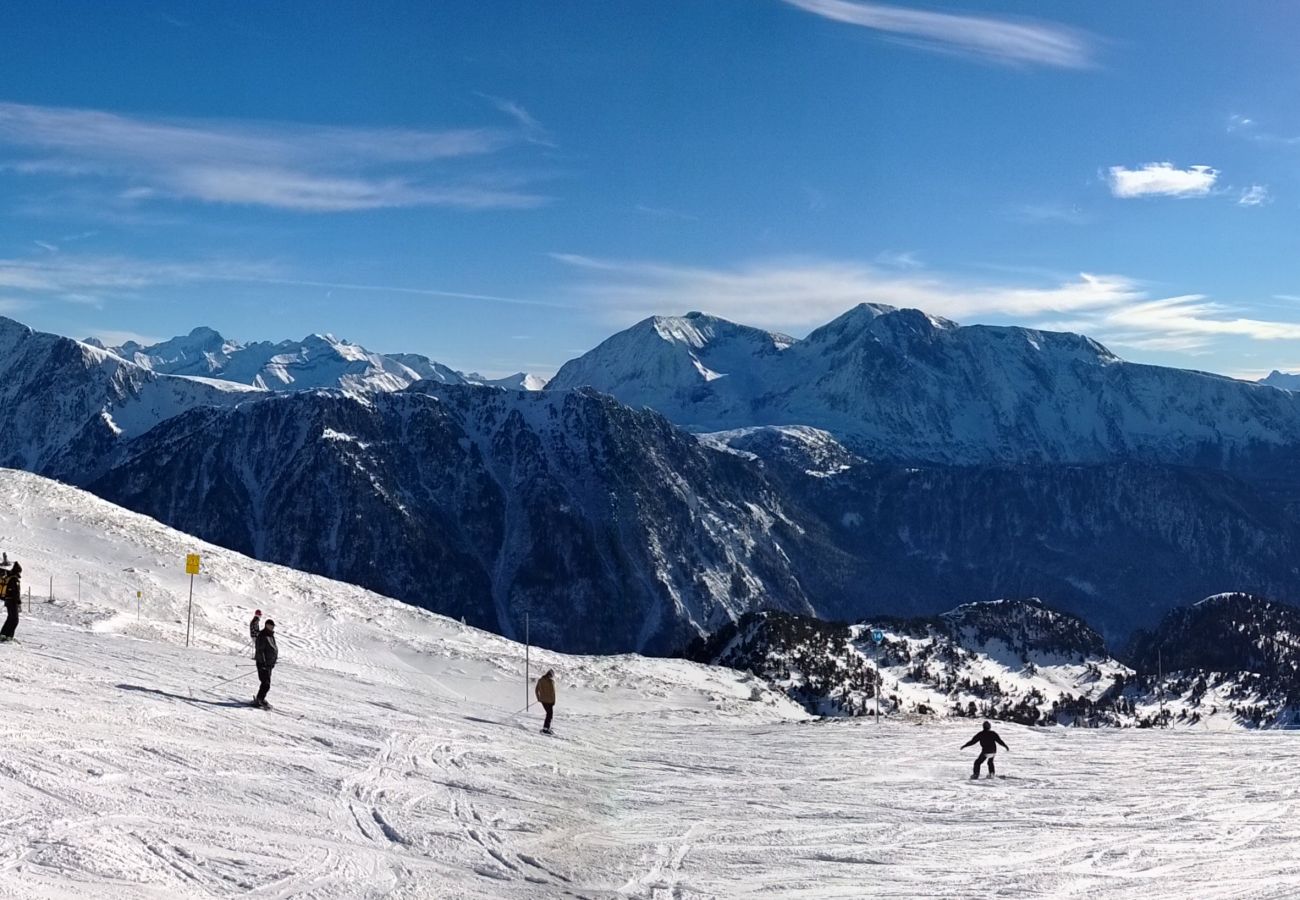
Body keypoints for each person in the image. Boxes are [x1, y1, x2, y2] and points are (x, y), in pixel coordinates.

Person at [253, 619, 278, 709]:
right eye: (271, 626)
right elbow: (260, 650)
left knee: (266, 683)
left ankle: (260, 699)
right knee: (266, 683)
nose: (273, 627)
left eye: (273, 626)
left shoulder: (270, 635)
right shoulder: (263, 635)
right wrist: (262, 663)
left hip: (269, 664)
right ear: (267, 625)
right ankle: (260, 699)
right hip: (263, 664)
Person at [0, 561, 22, 642]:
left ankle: (4, 634)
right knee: (15, 620)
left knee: (10, 618)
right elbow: (16, 593)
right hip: (12, 601)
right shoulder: (14, 579)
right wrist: (19, 603)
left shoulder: (9, 577)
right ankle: (9, 636)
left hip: (8, 600)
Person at [535, 669, 556, 734]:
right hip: (549, 701)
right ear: (551, 675)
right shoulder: (551, 681)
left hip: (543, 701)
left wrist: (538, 698)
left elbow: (536, 690)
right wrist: (554, 701)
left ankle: (547, 727)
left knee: (548, 714)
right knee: (549, 714)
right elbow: (553, 692)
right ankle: (546, 728)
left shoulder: (540, 680)